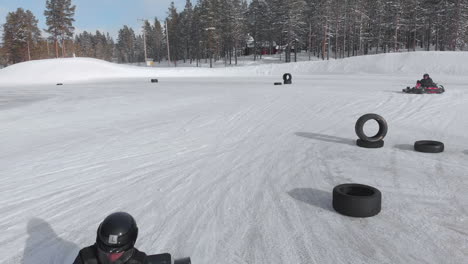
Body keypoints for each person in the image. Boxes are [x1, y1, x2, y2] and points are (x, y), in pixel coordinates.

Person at [73, 212, 149, 264]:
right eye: (104, 250)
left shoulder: (140, 261)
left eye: (118, 252)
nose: (111, 256)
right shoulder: (84, 257)